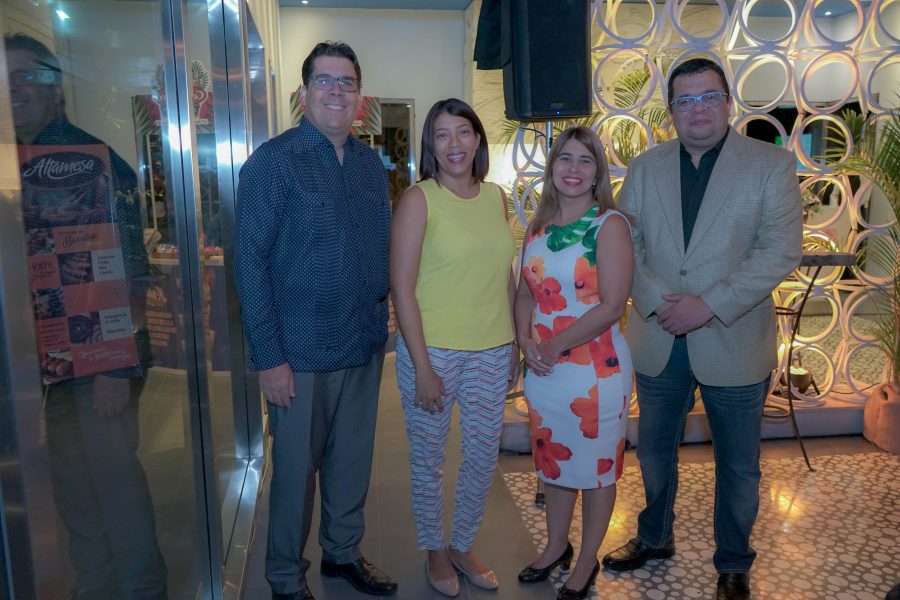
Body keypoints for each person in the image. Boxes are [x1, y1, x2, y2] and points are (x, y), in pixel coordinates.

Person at [601, 57, 802, 600]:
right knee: (654, 453)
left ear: (728, 102)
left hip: (735, 340)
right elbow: (624, 243)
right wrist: (657, 302)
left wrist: (708, 305)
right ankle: (654, 536)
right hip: (659, 335)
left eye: (709, 96)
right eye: (685, 100)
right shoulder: (645, 167)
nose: (698, 109)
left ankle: (734, 563)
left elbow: (780, 251)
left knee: (739, 467)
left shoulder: (771, 165)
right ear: (671, 111)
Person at [233, 41, 396, 600]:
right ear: (304, 93)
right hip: (299, 353)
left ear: (360, 96)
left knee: (351, 464)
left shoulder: (371, 166)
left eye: (346, 82)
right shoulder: (272, 162)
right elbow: (250, 265)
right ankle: (284, 577)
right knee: (296, 475)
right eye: (324, 80)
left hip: (362, 342)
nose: (336, 91)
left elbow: (379, 249)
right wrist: (269, 358)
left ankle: (342, 554)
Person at [7, 33, 167, 599]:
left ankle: (143, 589)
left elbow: (129, 269)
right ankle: (96, 583)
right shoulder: (15, 165)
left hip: (98, 359)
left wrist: (114, 368)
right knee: (72, 487)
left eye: (27, 74)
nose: (15, 87)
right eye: (6, 76)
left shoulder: (92, 162)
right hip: (45, 361)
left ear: (56, 89)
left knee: (113, 483)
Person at [390, 98, 518, 597]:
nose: (454, 144)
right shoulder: (419, 199)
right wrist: (422, 367)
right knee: (429, 460)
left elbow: (504, 274)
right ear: (431, 146)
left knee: (483, 457)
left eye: (463, 131)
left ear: (477, 139)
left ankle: (462, 545)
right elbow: (402, 287)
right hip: (434, 350)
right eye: (441, 135)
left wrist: (513, 342)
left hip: (492, 348)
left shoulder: (497, 197)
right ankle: (434, 551)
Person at [514, 126, 634, 600]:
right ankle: (555, 546)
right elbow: (525, 293)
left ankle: (586, 560)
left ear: (597, 172)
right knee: (554, 462)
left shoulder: (610, 225)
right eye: (565, 158)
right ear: (552, 167)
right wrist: (525, 341)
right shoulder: (537, 228)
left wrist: (552, 345)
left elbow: (612, 305)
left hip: (595, 372)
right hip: (544, 370)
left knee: (596, 469)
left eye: (586, 160)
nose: (574, 169)